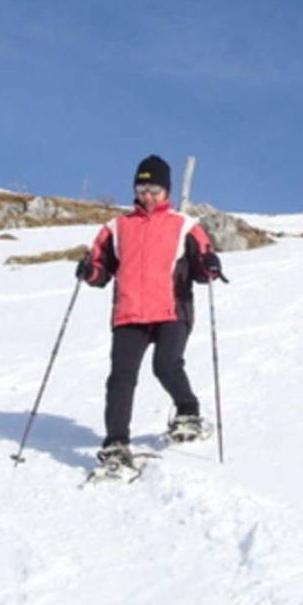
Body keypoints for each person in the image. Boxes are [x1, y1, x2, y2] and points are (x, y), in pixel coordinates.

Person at [75, 155, 226, 472]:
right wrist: (89, 270)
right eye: (142, 188)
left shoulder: (184, 225)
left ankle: (187, 409)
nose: (148, 195)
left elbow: (201, 265)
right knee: (120, 377)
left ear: (166, 191)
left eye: (154, 189)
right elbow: (101, 273)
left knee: (165, 365)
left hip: (172, 309)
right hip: (129, 312)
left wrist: (210, 264)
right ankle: (117, 443)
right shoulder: (116, 228)